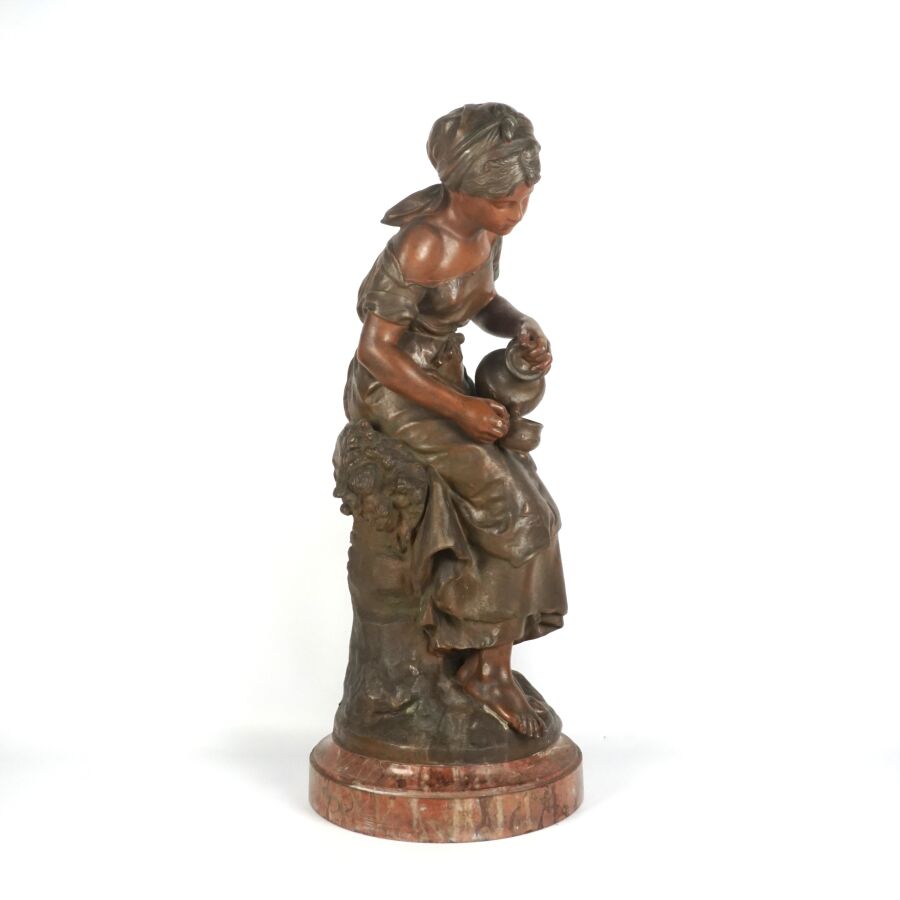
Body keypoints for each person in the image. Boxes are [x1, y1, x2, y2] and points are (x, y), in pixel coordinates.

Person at [344, 103, 567, 738]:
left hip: (439, 378)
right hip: (394, 392)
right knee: (513, 509)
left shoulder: (486, 234)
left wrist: (519, 325)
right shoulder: (420, 244)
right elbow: (376, 351)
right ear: (462, 187)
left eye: (523, 200)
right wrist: (462, 409)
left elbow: (484, 301)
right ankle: (482, 670)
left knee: (536, 506)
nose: (515, 214)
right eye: (504, 202)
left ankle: (485, 659)